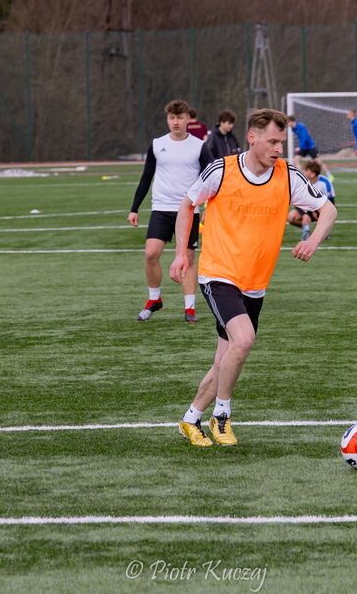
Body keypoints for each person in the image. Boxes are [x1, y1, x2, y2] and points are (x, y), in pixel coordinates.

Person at [169, 109, 337, 447]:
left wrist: (312, 241)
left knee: (226, 360)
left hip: (255, 283)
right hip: (218, 273)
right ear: (252, 138)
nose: (278, 148)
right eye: (272, 141)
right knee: (243, 340)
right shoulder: (222, 170)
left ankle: (190, 418)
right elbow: (187, 206)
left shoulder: (287, 175)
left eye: (281, 142)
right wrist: (180, 254)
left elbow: (328, 210)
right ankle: (222, 416)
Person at [129, 99, 212, 323]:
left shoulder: (199, 146)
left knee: (188, 258)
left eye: (180, 117)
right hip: (161, 209)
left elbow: (212, 179)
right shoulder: (157, 145)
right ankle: (154, 299)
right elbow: (146, 178)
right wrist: (134, 209)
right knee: (150, 254)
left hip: (189, 210)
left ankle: (189, 308)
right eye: (172, 118)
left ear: (188, 119)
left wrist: (208, 206)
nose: (175, 122)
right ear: (167, 119)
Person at [287, 160, 335, 242]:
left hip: (320, 208)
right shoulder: (301, 181)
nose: (303, 172)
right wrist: (305, 214)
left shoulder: (325, 182)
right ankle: (307, 229)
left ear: (313, 174)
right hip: (307, 209)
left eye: (306, 171)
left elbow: (331, 202)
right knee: (291, 217)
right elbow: (296, 201)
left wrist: (320, 213)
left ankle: (323, 231)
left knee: (327, 217)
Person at [289, 115, 331, 181]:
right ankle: (302, 176)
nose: (287, 124)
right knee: (295, 160)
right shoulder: (293, 128)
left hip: (310, 146)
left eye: (288, 122)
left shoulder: (301, 127)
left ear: (291, 121)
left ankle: (329, 175)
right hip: (303, 148)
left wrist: (300, 147)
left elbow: (304, 138)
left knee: (318, 162)